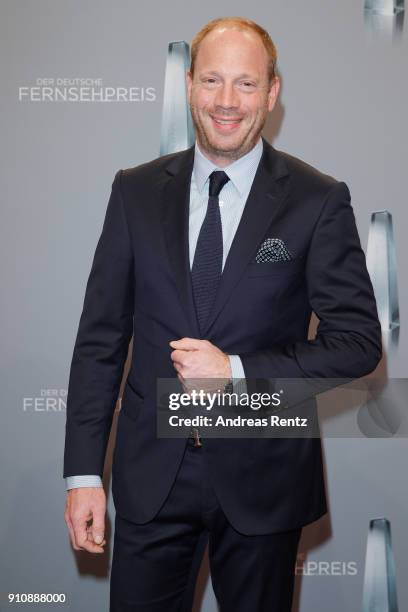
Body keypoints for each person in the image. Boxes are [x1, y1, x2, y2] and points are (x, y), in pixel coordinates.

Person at [63, 16, 382, 612]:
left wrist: (235, 370)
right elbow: (99, 340)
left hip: (264, 477)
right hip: (151, 478)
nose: (227, 102)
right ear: (188, 86)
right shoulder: (134, 192)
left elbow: (358, 342)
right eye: (212, 81)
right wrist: (84, 475)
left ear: (272, 92)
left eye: (245, 83)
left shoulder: (316, 201)